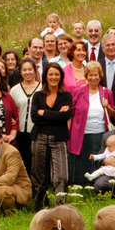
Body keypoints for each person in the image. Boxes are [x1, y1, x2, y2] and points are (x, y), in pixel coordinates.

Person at [30, 63, 73, 209]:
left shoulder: (66, 96)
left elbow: (66, 116)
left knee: (61, 176)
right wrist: (57, 114)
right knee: (39, 175)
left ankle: (59, 207)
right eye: (51, 74)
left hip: (58, 138)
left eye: (56, 74)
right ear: (46, 77)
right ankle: (40, 206)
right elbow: (34, 117)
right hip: (39, 137)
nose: (53, 77)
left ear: (60, 77)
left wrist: (45, 113)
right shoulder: (38, 95)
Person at [67, 60, 115, 184]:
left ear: (100, 76)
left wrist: (108, 106)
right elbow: (70, 114)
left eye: (96, 75)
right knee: (81, 162)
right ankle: (81, 186)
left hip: (100, 133)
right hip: (80, 134)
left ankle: (97, 185)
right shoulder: (77, 93)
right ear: (86, 76)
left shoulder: (107, 92)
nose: (93, 78)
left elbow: (113, 114)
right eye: (91, 75)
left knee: (97, 161)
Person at [10, 58, 42, 172]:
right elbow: (12, 111)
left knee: (37, 163)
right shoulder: (14, 90)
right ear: (20, 72)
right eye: (24, 70)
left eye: (30, 69)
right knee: (23, 162)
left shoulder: (42, 88)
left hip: (37, 131)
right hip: (20, 132)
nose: (27, 72)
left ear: (34, 71)